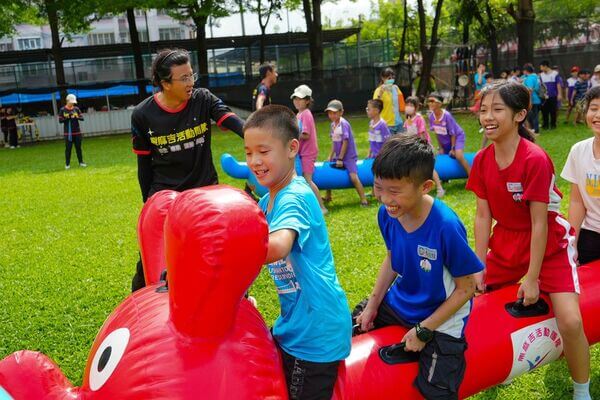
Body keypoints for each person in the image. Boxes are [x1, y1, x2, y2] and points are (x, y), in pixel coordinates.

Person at [467, 81, 591, 400]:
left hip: (548, 245)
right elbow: (483, 217)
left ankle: (582, 390)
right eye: (484, 110)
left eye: (497, 110)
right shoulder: (481, 159)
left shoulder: (535, 159)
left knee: (570, 320)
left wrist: (532, 278)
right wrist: (478, 266)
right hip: (506, 243)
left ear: (520, 114)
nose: (487, 117)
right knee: (474, 308)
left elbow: (540, 224)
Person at [353, 134, 482, 400]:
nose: (385, 198)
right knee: (351, 325)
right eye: (379, 187)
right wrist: (373, 305)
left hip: (441, 317)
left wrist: (424, 330)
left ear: (425, 186)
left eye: (395, 191)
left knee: (437, 392)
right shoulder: (388, 214)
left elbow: (467, 288)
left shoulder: (445, 225)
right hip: (401, 303)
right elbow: (392, 258)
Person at [243, 104, 351, 400]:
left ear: (292, 148)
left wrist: (224, 251)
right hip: (294, 326)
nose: (254, 161)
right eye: (248, 152)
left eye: (263, 152)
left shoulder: (296, 196)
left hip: (317, 331)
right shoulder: (267, 201)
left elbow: (277, 246)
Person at [130, 48, 245, 292]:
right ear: (165, 84)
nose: (190, 82)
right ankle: (143, 310)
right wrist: (148, 204)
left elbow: (234, 123)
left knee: (221, 256)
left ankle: (238, 302)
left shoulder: (202, 99)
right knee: (153, 266)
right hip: (165, 199)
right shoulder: (143, 115)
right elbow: (144, 165)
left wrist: (263, 138)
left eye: (192, 75)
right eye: (183, 78)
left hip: (204, 195)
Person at [561, 86, 600, 265]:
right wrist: (573, 243)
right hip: (591, 233)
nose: (598, 115)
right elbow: (577, 202)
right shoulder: (579, 151)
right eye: (593, 108)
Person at [322, 99, 368, 206]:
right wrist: (330, 156)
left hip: (348, 156)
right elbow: (334, 142)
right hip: (338, 155)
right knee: (328, 171)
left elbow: (345, 142)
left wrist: (340, 158)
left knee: (353, 177)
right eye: (329, 113)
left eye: (334, 113)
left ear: (341, 112)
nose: (332, 115)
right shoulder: (333, 125)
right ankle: (328, 195)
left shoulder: (344, 124)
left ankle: (364, 200)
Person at [290, 84, 328, 215]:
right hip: (301, 153)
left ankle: (322, 207)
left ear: (307, 101)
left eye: (300, 99)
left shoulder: (306, 114)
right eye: (295, 99)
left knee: (307, 180)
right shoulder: (299, 114)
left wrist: (291, 136)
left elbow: (306, 134)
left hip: (308, 153)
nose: (297, 101)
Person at [403, 96, 444, 197]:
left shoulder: (419, 118)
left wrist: (421, 147)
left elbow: (422, 135)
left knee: (429, 167)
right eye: (407, 104)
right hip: (413, 146)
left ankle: (440, 188)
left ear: (416, 107)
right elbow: (407, 133)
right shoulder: (408, 119)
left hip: (423, 146)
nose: (408, 107)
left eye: (411, 105)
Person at [427, 93, 471, 175]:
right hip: (445, 140)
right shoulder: (431, 117)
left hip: (457, 136)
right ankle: (446, 178)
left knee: (458, 156)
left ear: (439, 104)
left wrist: (453, 148)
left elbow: (453, 133)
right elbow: (437, 133)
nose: (430, 103)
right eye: (428, 101)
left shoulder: (447, 115)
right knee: (442, 155)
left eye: (432, 101)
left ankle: (472, 176)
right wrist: (440, 147)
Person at [373, 67, 405, 134]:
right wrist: (380, 94)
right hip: (387, 124)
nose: (391, 80)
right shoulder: (378, 90)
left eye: (392, 78)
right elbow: (375, 106)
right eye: (389, 78)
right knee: (390, 144)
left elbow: (401, 103)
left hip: (399, 123)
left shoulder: (396, 88)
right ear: (383, 78)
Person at [58, 94, 86, 169]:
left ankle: (81, 162)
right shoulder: (62, 110)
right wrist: (68, 117)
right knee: (68, 149)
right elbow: (60, 121)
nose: (72, 103)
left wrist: (76, 116)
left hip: (77, 132)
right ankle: (67, 164)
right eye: (71, 102)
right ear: (67, 101)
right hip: (68, 133)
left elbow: (82, 118)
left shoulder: (76, 109)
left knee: (78, 148)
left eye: (73, 102)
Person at [539, 60, 563, 129]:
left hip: (553, 95)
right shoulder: (541, 75)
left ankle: (553, 125)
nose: (541, 69)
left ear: (545, 66)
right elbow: (541, 86)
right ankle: (545, 125)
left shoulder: (555, 74)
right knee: (544, 111)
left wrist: (559, 94)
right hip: (544, 96)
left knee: (553, 111)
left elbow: (558, 84)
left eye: (541, 67)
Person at [522, 64, 542, 133]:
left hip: (532, 99)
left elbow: (529, 89)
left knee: (532, 116)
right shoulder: (536, 77)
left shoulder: (530, 78)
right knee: (535, 115)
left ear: (526, 71)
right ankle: (535, 129)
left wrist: (529, 100)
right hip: (537, 99)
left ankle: (534, 130)